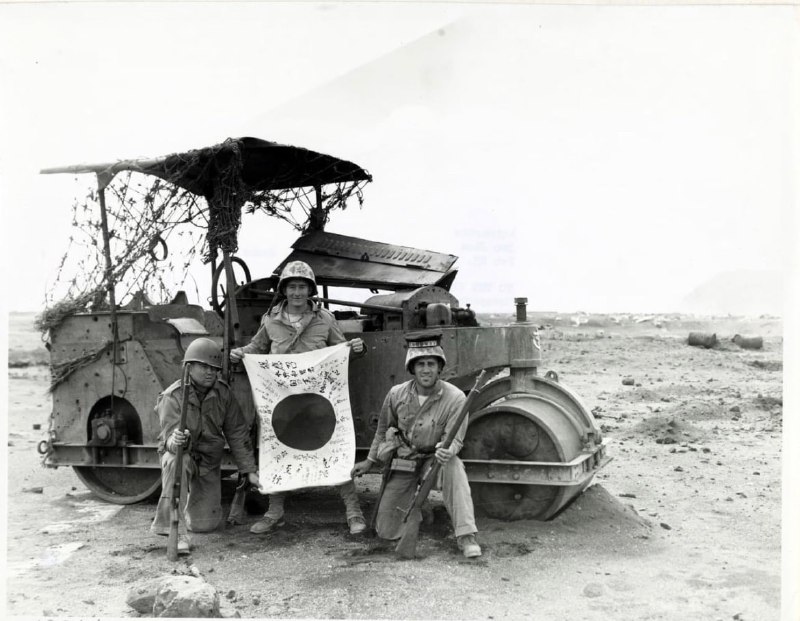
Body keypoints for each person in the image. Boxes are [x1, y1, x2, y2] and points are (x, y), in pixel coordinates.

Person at [230, 260, 367, 535]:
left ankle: (354, 512)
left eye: (302, 287)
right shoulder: (271, 320)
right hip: (283, 403)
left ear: (310, 290)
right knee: (278, 452)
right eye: (292, 287)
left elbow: (342, 350)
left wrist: (357, 348)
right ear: (284, 290)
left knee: (334, 450)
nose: (297, 293)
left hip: (319, 403)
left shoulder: (325, 319)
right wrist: (240, 353)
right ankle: (275, 511)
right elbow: (257, 347)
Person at [351, 331, 482, 558]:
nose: (426, 369)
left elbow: (456, 438)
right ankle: (420, 509)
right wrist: (370, 460)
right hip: (405, 460)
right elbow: (382, 430)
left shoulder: (456, 398)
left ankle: (466, 535)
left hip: (436, 461)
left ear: (440, 367)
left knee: (454, 467)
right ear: (412, 368)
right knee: (386, 531)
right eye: (420, 364)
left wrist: (448, 449)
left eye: (431, 363)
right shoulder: (396, 394)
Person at [151, 338, 261, 554]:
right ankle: (174, 529)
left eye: (214, 368)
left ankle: (191, 506)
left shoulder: (223, 393)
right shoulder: (172, 397)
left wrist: (249, 471)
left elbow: (237, 432)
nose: (210, 372)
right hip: (182, 456)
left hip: (208, 462)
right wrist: (175, 442)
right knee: (176, 461)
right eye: (204, 366)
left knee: (205, 525)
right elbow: (167, 441)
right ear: (189, 367)